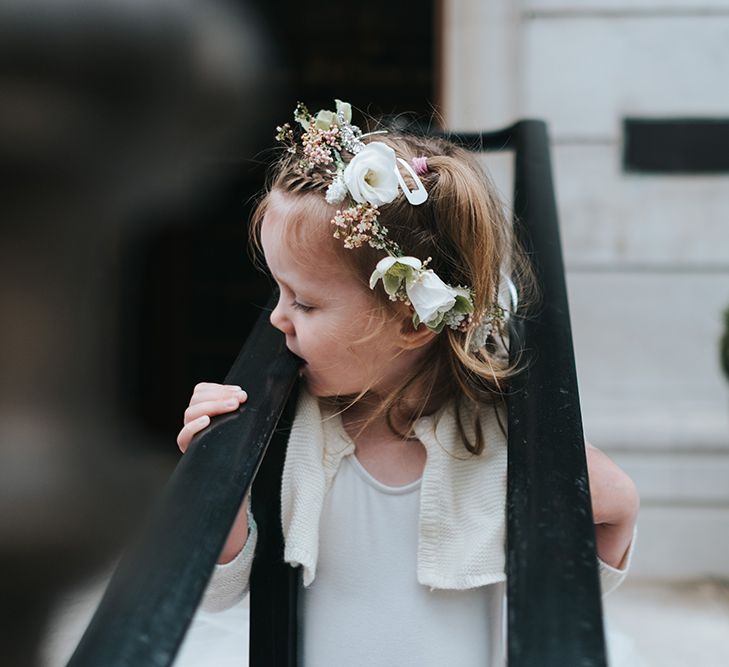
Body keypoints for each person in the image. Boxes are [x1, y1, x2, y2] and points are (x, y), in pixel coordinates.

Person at [176, 100, 640, 666]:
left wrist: (615, 514)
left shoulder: (504, 437)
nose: (276, 317)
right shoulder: (287, 428)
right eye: (278, 291)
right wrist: (217, 472)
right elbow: (219, 590)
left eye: (304, 301)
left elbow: (576, 574)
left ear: (413, 320)